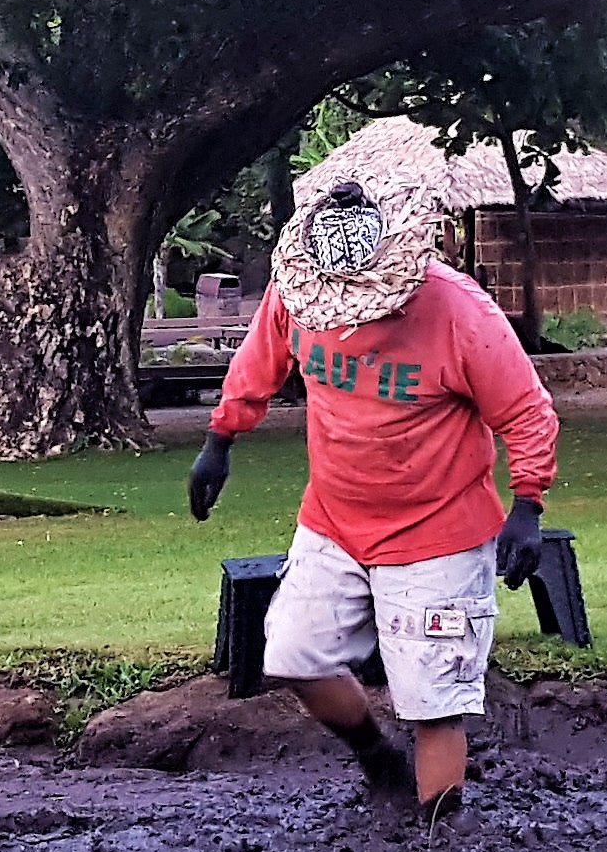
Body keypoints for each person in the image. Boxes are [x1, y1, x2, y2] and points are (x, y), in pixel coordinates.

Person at [187, 135, 559, 811]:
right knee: (294, 657)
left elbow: (527, 412)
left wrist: (527, 501)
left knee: (433, 702)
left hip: (438, 534)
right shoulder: (300, 290)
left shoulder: (460, 314)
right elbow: (260, 358)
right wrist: (221, 437)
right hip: (333, 521)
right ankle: (378, 760)